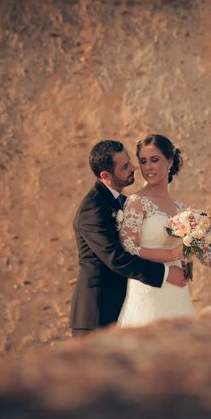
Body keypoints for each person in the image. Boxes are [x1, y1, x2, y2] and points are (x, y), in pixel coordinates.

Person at [117, 134, 211, 327]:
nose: (148, 167)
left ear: (170, 162)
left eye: (154, 160)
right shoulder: (136, 202)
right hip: (148, 290)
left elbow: (204, 252)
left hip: (177, 292)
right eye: (143, 161)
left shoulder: (181, 209)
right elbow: (129, 247)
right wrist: (171, 255)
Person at [70, 140, 187, 337]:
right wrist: (166, 274)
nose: (134, 167)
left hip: (125, 305)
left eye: (130, 161)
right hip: (97, 314)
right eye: (125, 166)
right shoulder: (92, 209)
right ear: (106, 176)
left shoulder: (124, 202)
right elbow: (116, 258)